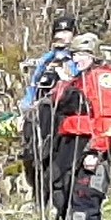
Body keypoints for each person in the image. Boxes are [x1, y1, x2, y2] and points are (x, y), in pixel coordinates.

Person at [47, 33, 111, 220]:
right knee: (68, 196)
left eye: (81, 54)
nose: (76, 59)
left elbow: (109, 118)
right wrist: (62, 79)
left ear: (93, 55)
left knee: (86, 196)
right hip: (72, 144)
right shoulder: (79, 78)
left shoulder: (102, 79)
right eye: (74, 54)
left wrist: (96, 150)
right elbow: (57, 102)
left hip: (90, 146)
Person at [20, 15, 78, 205]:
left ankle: (59, 201)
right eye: (58, 32)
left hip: (62, 115)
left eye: (66, 32)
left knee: (56, 160)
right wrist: (27, 107)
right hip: (40, 114)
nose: (61, 36)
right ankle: (38, 199)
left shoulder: (77, 59)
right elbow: (34, 85)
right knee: (33, 156)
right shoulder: (46, 60)